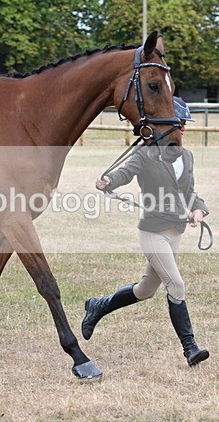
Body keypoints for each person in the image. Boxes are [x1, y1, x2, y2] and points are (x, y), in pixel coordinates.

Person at [82, 96, 210, 366]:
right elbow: (126, 173)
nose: (184, 128)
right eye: (179, 122)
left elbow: (189, 193)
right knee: (176, 284)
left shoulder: (186, 156)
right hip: (153, 232)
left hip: (175, 232)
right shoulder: (145, 153)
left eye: (185, 123)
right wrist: (109, 181)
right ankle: (190, 348)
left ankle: (99, 305)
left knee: (145, 290)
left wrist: (199, 209)